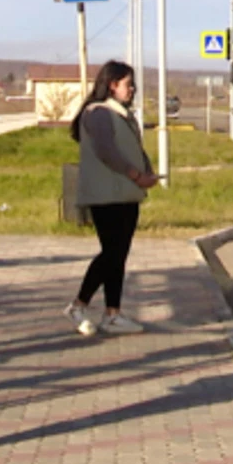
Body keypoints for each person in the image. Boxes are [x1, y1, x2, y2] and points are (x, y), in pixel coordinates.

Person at [66, 61, 158, 337]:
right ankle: (78, 305)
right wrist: (134, 174)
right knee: (111, 253)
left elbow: (134, 150)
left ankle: (112, 313)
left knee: (118, 255)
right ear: (112, 85)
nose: (132, 90)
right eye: (128, 84)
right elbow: (108, 152)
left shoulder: (122, 115)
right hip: (106, 196)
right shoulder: (98, 113)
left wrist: (148, 172)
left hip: (125, 193)